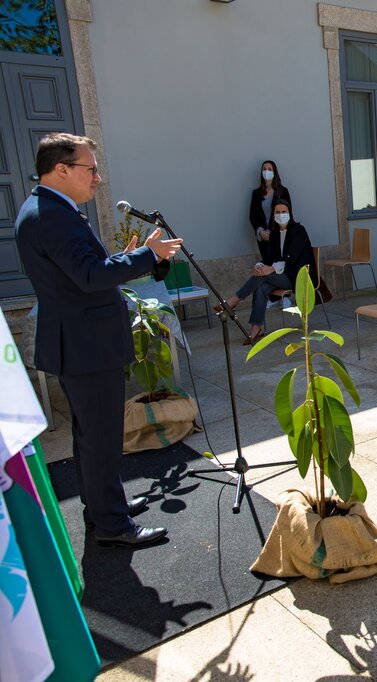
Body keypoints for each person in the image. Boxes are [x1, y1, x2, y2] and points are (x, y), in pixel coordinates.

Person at [15, 133, 182, 547]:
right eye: (91, 169)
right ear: (61, 170)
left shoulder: (49, 209)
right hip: (86, 346)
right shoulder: (51, 215)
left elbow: (82, 270)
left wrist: (120, 260)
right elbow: (90, 276)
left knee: (92, 434)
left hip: (82, 342)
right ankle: (111, 524)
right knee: (102, 436)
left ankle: (105, 507)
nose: (98, 178)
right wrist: (148, 255)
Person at [220, 198, 314, 343]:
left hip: (296, 277)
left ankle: (234, 300)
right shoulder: (275, 234)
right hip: (279, 276)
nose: (281, 214)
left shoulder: (298, 231)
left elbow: (292, 257)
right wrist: (260, 266)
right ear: (273, 214)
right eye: (278, 212)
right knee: (261, 287)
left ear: (290, 213)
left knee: (262, 277)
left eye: (284, 211)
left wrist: (269, 269)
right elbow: (269, 258)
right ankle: (256, 329)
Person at [249, 160, 291, 261]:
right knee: (267, 264)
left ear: (274, 172)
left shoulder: (283, 192)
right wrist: (260, 231)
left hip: (278, 235)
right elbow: (252, 216)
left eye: (269, 169)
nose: (266, 171)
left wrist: (272, 231)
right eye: (264, 169)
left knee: (279, 264)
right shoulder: (256, 193)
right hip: (263, 238)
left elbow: (287, 214)